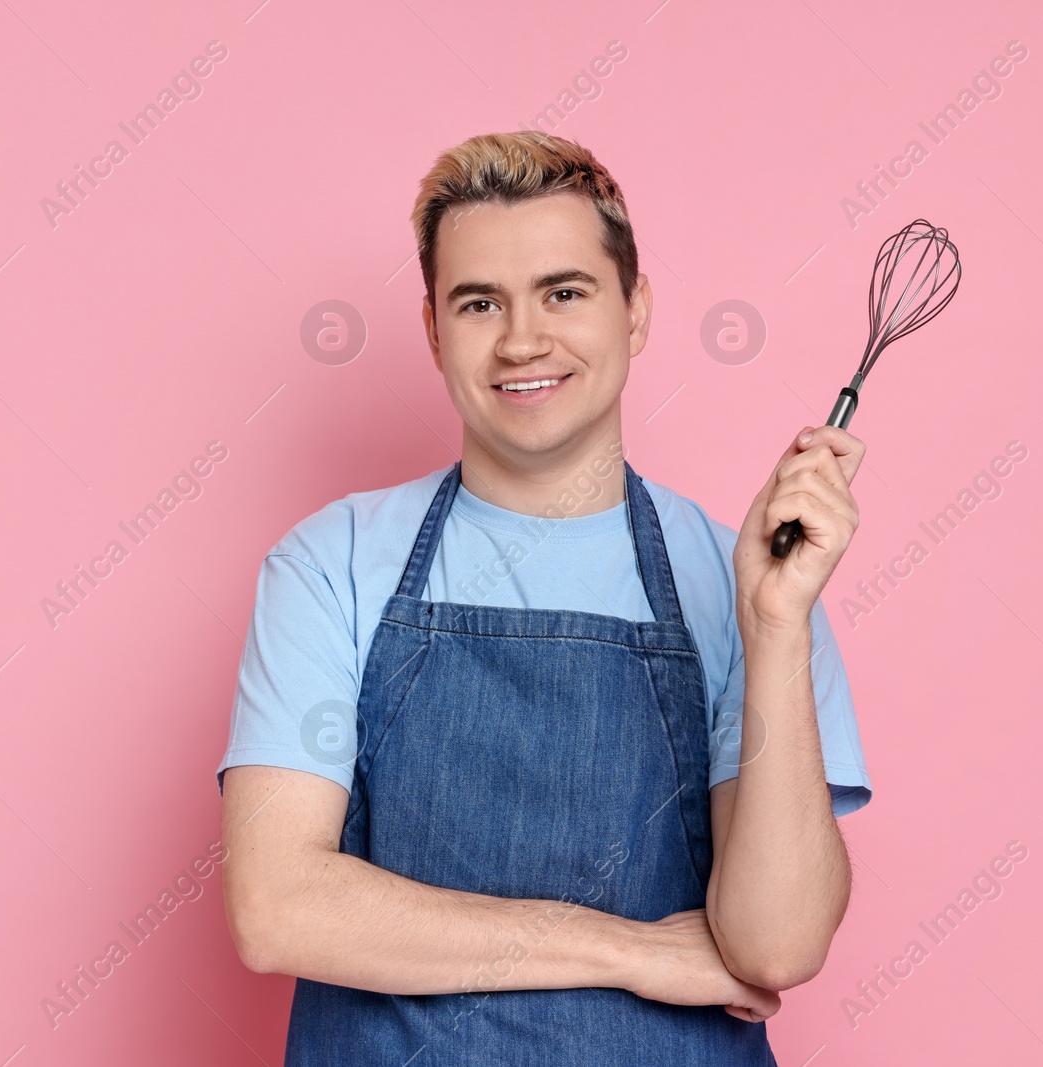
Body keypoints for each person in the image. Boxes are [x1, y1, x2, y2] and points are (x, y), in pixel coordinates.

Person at [216, 131, 872, 1066]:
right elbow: (277, 906)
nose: (523, 340)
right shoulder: (332, 563)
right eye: (481, 302)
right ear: (436, 331)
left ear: (636, 312)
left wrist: (774, 623)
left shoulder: (749, 585)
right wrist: (632, 951)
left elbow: (775, 944)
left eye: (565, 292)